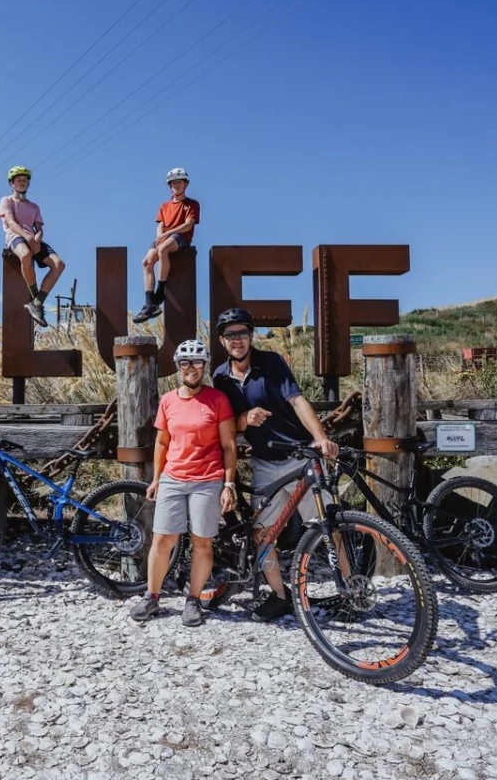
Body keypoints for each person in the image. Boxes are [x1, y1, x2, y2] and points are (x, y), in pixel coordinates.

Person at [210, 307, 340, 622]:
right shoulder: (219, 377)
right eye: (230, 335)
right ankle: (280, 596)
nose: (237, 340)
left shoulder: (271, 362)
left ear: (251, 335)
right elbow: (225, 423)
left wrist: (320, 437)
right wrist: (244, 418)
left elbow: (297, 400)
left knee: (331, 528)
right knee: (262, 534)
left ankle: (349, 590)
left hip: (298, 457)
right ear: (222, 341)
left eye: (242, 333)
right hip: (264, 464)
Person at [130, 339, 237, 627]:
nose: (192, 368)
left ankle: (193, 599)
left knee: (203, 542)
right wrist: (156, 479)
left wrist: (229, 484)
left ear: (205, 366)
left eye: (198, 362)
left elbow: (228, 445)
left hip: (207, 479)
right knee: (163, 539)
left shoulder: (217, 400)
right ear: (178, 367)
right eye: (186, 363)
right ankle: (152, 596)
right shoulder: (168, 401)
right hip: (174, 478)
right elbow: (162, 442)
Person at [0, 165, 65, 327]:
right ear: (12, 183)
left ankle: (37, 302)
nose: (22, 182)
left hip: (34, 239)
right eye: (19, 179)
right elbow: (11, 222)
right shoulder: (7, 200)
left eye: (25, 179)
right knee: (26, 255)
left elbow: (39, 227)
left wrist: (37, 237)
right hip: (16, 237)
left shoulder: (34, 206)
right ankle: (34, 295)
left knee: (59, 265)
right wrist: (27, 236)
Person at [132, 168, 200, 324]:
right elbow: (160, 224)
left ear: (186, 184)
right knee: (146, 262)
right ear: (170, 186)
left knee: (163, 249)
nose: (176, 185)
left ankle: (160, 291)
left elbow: (188, 225)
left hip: (180, 237)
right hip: (164, 237)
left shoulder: (191, 204)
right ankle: (150, 303)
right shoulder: (164, 206)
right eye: (173, 183)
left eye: (179, 182)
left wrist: (166, 235)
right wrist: (160, 235)